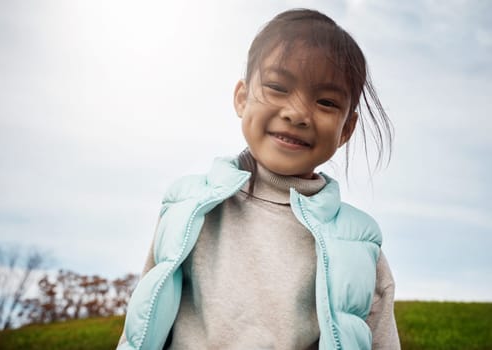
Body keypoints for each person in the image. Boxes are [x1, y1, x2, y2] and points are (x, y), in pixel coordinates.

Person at [118, 8, 400, 350]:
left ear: (347, 129)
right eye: (278, 86)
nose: (297, 113)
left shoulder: (359, 244)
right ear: (241, 98)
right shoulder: (188, 206)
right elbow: (140, 329)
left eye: (325, 101)